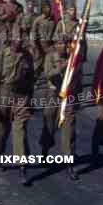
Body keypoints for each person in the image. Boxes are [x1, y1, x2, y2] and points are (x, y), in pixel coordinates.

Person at [0, 25, 34, 185]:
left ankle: (22, 167)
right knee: (0, 132)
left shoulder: (28, 56)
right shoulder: (1, 56)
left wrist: (30, 100)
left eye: (22, 37)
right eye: (16, 36)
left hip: (21, 97)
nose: (19, 40)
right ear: (11, 38)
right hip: (4, 96)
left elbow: (30, 80)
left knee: (19, 131)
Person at [39, 37, 81, 180]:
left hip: (68, 97)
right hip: (53, 95)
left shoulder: (74, 57)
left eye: (64, 43)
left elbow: (78, 78)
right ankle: (45, 151)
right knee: (49, 126)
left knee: (69, 131)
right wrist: (62, 67)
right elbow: (48, 74)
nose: (61, 46)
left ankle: (69, 163)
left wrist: (77, 99)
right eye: (59, 43)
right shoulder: (50, 56)